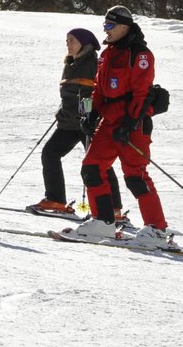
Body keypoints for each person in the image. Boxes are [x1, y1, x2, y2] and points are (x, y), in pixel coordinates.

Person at [57, 5, 172, 247]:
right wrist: (90, 115)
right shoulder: (108, 54)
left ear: (123, 27)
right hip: (109, 122)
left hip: (132, 124)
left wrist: (129, 123)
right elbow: (98, 90)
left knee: (135, 176)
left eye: (110, 26)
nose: (106, 31)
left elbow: (142, 93)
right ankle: (103, 222)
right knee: (91, 167)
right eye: (104, 26)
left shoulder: (140, 55)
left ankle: (157, 229)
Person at [32, 27, 124, 221]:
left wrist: (86, 116)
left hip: (86, 123)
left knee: (100, 164)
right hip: (69, 122)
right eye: (67, 40)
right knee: (50, 153)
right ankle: (55, 200)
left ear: (84, 43)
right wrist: (62, 111)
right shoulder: (71, 62)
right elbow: (70, 93)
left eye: (72, 40)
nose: (68, 43)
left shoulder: (91, 62)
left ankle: (114, 209)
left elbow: (91, 93)